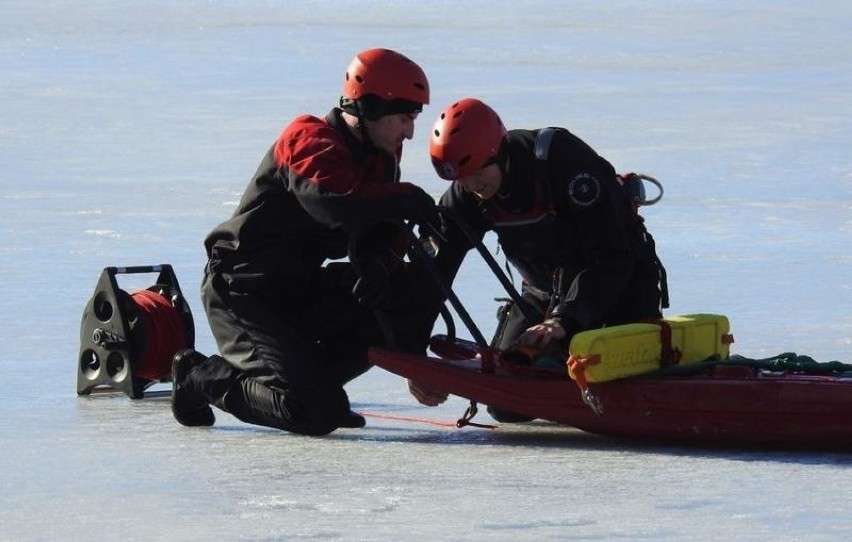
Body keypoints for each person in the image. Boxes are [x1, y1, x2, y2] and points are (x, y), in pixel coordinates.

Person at [171, 48, 441, 436]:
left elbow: (378, 225)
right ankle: (199, 376)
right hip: (243, 289)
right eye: (403, 118)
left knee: (409, 288)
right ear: (368, 107)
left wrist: (380, 262)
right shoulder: (307, 139)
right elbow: (336, 208)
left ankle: (319, 388)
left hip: (297, 286)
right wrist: (403, 198)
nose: (410, 132)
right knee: (315, 412)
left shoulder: (380, 153)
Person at [410, 97, 669, 420]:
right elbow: (434, 272)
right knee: (506, 401)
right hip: (544, 294)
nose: (471, 186)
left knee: (610, 387)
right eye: (460, 179)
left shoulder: (560, 161)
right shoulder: (468, 191)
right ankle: (556, 353)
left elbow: (613, 257)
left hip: (617, 289)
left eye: (477, 173)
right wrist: (415, 356)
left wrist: (563, 321)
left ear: (498, 153)